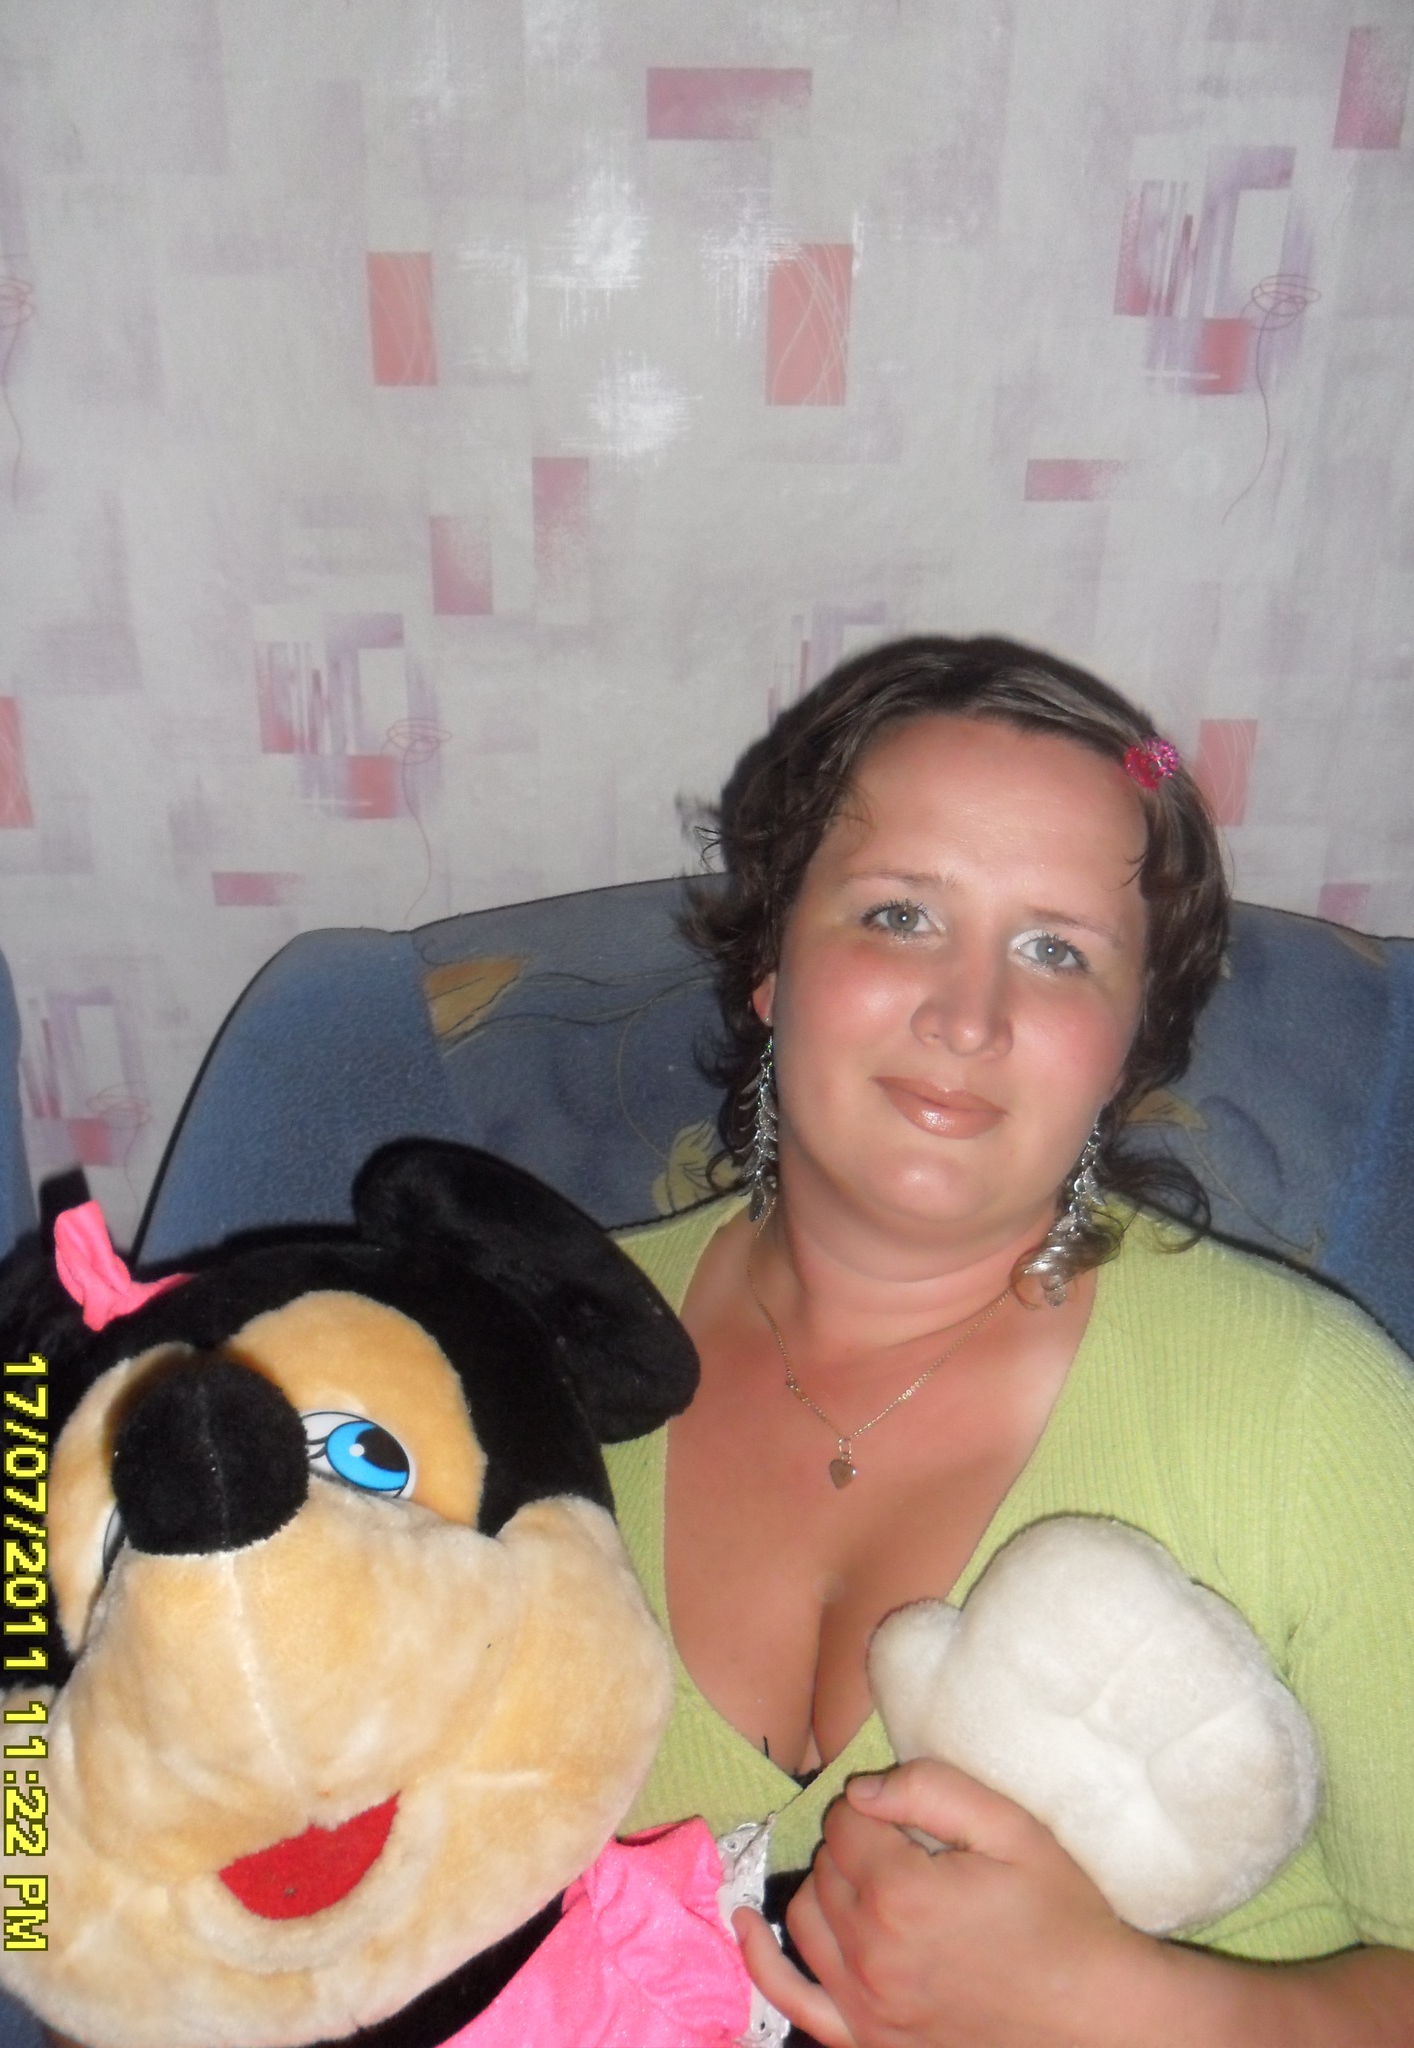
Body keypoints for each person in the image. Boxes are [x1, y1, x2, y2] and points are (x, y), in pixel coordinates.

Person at [603, 634, 1414, 2045]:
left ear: (1130, 1042)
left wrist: (1113, 2000)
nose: (968, 1017)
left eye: (1056, 951)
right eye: (899, 915)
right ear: (775, 962)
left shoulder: (1314, 1413)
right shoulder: (519, 1352)